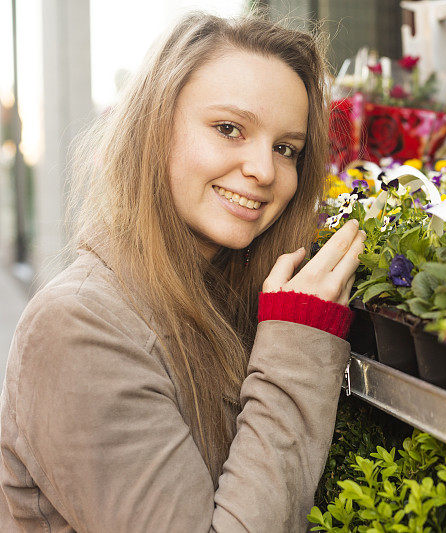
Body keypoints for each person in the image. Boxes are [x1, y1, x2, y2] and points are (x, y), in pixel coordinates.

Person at [0, 10, 365, 532]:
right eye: (229, 129)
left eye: (286, 149)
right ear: (155, 130)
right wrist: (297, 350)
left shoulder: (224, 294)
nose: (264, 170)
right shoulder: (77, 327)